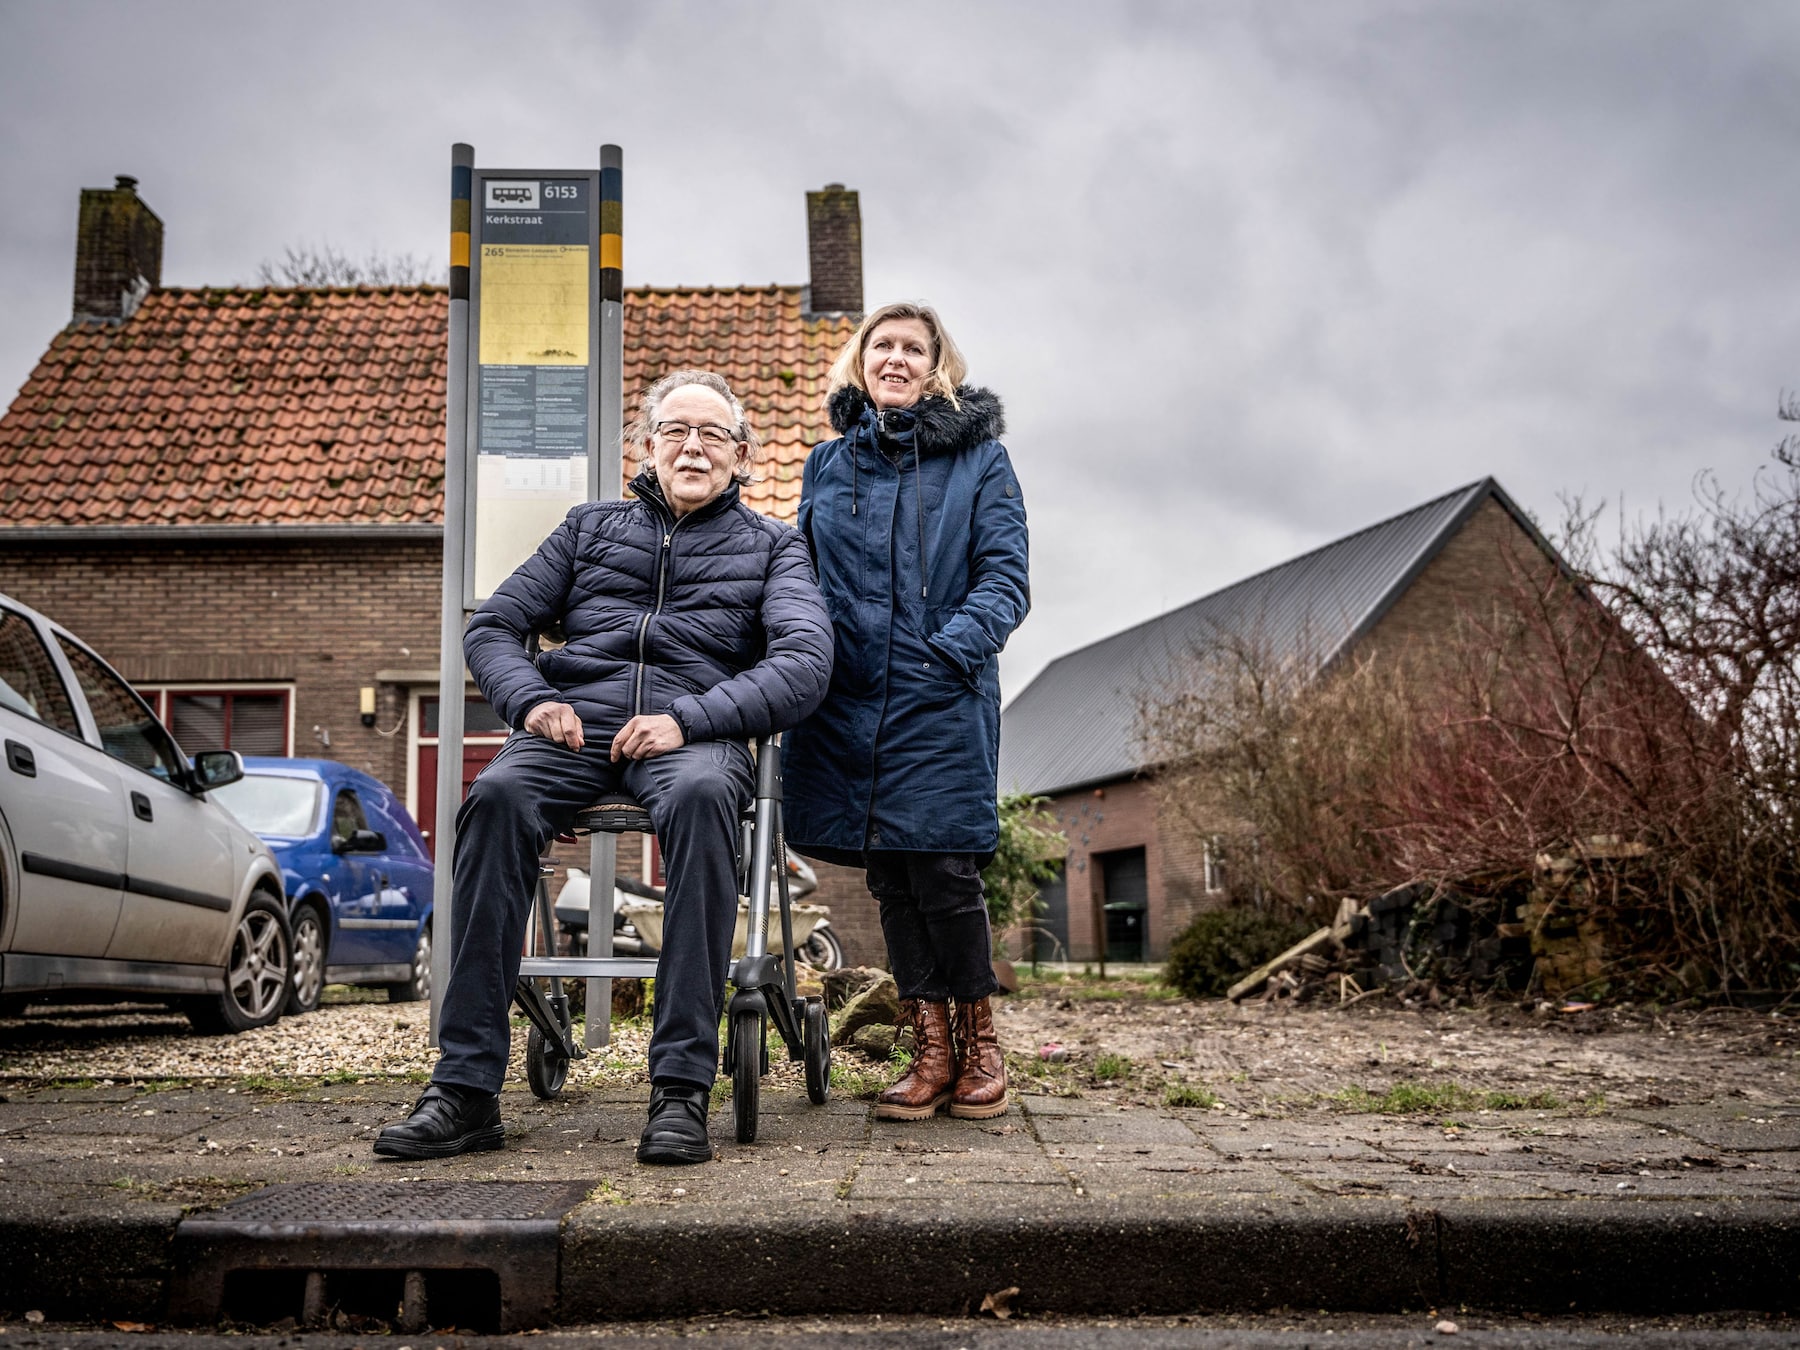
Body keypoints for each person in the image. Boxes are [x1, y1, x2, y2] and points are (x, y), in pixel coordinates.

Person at [375, 370, 832, 1165]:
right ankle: (465, 1088)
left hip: (693, 734)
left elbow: (803, 663)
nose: (694, 445)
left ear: (743, 456)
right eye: (677, 430)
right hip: (573, 730)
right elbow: (496, 627)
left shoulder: (772, 547)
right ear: (647, 446)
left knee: (699, 799)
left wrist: (687, 718)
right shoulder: (588, 529)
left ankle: (680, 1089)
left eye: (713, 434)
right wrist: (528, 702)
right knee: (496, 798)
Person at [782, 302, 1030, 1122]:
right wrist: (806, 656)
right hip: (847, 698)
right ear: (860, 363)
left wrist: (948, 650)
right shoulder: (826, 465)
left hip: (940, 694)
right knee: (891, 871)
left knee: (945, 867)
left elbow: (1005, 578)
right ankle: (929, 1050)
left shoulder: (982, 462)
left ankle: (980, 1043)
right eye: (880, 345)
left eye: (911, 348)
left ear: (937, 367)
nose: (895, 358)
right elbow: (802, 577)